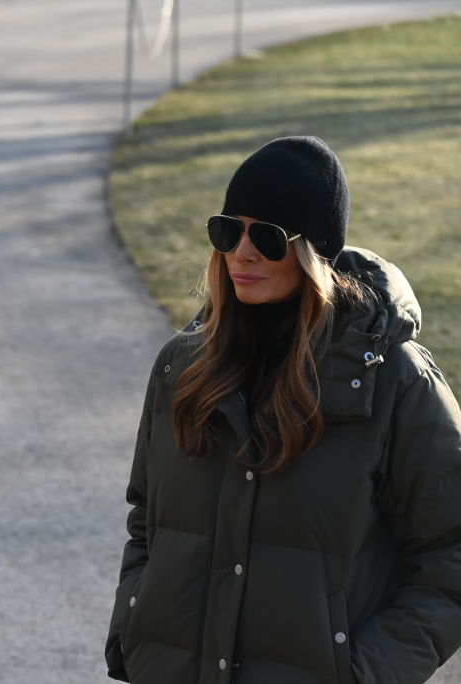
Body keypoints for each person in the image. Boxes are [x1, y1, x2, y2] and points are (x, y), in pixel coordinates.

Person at [104, 136, 461, 683]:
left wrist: (364, 674)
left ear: (313, 252)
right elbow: (148, 523)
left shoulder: (394, 380)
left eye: (266, 237)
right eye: (227, 230)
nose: (240, 252)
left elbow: (449, 560)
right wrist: (133, 631)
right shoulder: (182, 366)